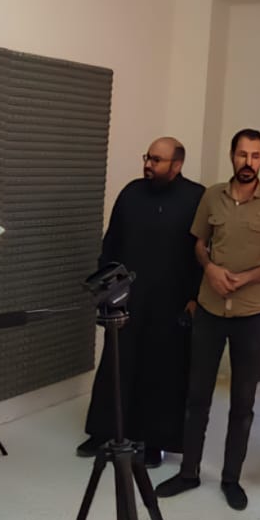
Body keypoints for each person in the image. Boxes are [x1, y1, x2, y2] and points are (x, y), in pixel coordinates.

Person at [155, 128, 260, 511]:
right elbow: (199, 244)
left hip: (252, 314)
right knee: (197, 396)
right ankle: (188, 472)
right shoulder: (211, 196)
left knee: (243, 401)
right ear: (232, 156)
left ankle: (231, 479)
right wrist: (210, 268)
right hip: (210, 309)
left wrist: (248, 278)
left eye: (255, 156)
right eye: (242, 154)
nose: (248, 162)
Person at [77, 137, 206, 466]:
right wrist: (106, 289)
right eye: (147, 157)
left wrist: (195, 298)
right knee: (117, 365)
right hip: (127, 298)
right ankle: (104, 431)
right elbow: (111, 244)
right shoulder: (132, 193)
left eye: (157, 160)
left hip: (171, 303)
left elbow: (204, 254)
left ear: (177, 165)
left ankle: (154, 442)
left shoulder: (196, 198)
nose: (148, 164)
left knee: (161, 372)